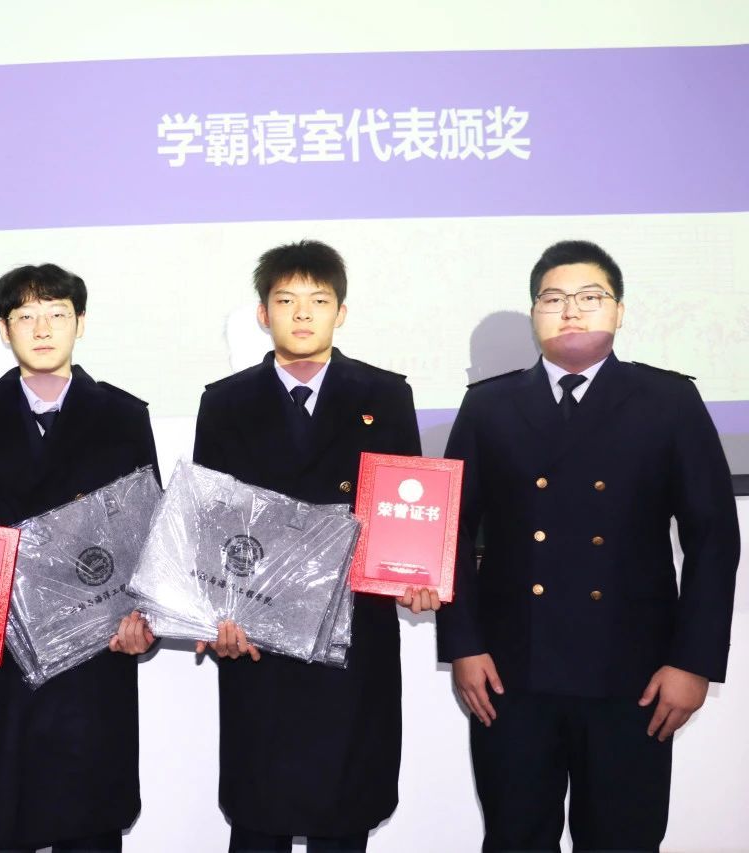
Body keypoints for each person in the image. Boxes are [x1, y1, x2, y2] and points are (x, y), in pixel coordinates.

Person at [436, 239, 740, 851]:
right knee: (515, 837)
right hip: (511, 674)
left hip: (634, 675)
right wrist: (463, 645)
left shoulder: (669, 402)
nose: (570, 310)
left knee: (623, 839)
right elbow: (451, 531)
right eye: (553, 298)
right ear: (535, 314)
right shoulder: (489, 405)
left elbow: (713, 538)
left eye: (590, 297)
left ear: (619, 311)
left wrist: (694, 662)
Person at [193, 239, 430, 853]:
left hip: (352, 635)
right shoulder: (225, 402)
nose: (302, 313)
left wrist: (419, 570)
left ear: (340, 313)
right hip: (257, 639)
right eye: (286, 300)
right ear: (262, 313)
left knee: (344, 811)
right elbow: (209, 521)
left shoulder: (385, 395)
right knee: (259, 814)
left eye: (318, 300)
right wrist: (214, 615)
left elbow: (408, 506)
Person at [0, 263, 160, 853]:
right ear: (5, 330)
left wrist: (146, 620)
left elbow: (149, 539)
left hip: (94, 661)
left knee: (89, 825)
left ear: (81, 323)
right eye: (25, 316)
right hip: (3, 665)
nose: (43, 328)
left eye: (57, 313)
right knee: (4, 818)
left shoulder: (124, 416)